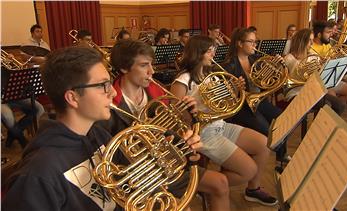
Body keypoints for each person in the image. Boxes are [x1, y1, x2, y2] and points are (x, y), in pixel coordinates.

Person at [2, 46, 202, 210]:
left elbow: (134, 177)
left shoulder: (98, 135)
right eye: (102, 85)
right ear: (72, 97)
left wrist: (179, 152)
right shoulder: (38, 174)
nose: (112, 91)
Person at [98, 39, 230, 210]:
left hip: (167, 163)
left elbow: (173, 132)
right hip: (137, 177)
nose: (151, 71)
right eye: (144, 65)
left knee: (221, 182)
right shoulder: (108, 105)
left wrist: (188, 118)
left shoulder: (157, 91)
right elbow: (109, 156)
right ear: (124, 68)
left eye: (151, 64)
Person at [170, 35, 278, 206]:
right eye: (209, 51)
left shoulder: (210, 73)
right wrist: (190, 112)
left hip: (220, 125)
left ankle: (252, 190)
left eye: (214, 50)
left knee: (264, 144)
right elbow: (173, 117)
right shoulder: (183, 80)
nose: (213, 54)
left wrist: (234, 90)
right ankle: (205, 187)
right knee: (249, 170)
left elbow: (224, 105)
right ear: (198, 53)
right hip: (203, 133)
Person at [223, 27, 289, 162]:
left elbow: (268, 83)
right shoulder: (229, 66)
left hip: (259, 101)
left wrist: (279, 66)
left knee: (284, 119)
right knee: (265, 129)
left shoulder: (256, 59)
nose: (255, 45)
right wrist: (235, 88)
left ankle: (281, 156)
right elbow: (227, 96)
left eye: (255, 41)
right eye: (251, 42)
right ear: (240, 44)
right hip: (242, 107)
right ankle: (259, 154)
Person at [284, 28, 347, 115]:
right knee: (327, 105)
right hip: (295, 91)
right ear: (302, 42)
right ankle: (317, 126)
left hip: (312, 91)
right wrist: (306, 66)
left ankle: (322, 127)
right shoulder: (289, 58)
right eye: (309, 40)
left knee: (340, 105)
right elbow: (296, 73)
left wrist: (324, 66)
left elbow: (319, 76)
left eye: (312, 40)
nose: (312, 43)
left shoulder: (312, 56)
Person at [310, 20, 347, 105]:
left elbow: (336, 59)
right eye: (328, 32)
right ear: (319, 34)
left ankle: (334, 113)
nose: (331, 34)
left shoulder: (327, 44)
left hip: (330, 78)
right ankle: (332, 111)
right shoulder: (311, 47)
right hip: (318, 82)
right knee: (333, 97)